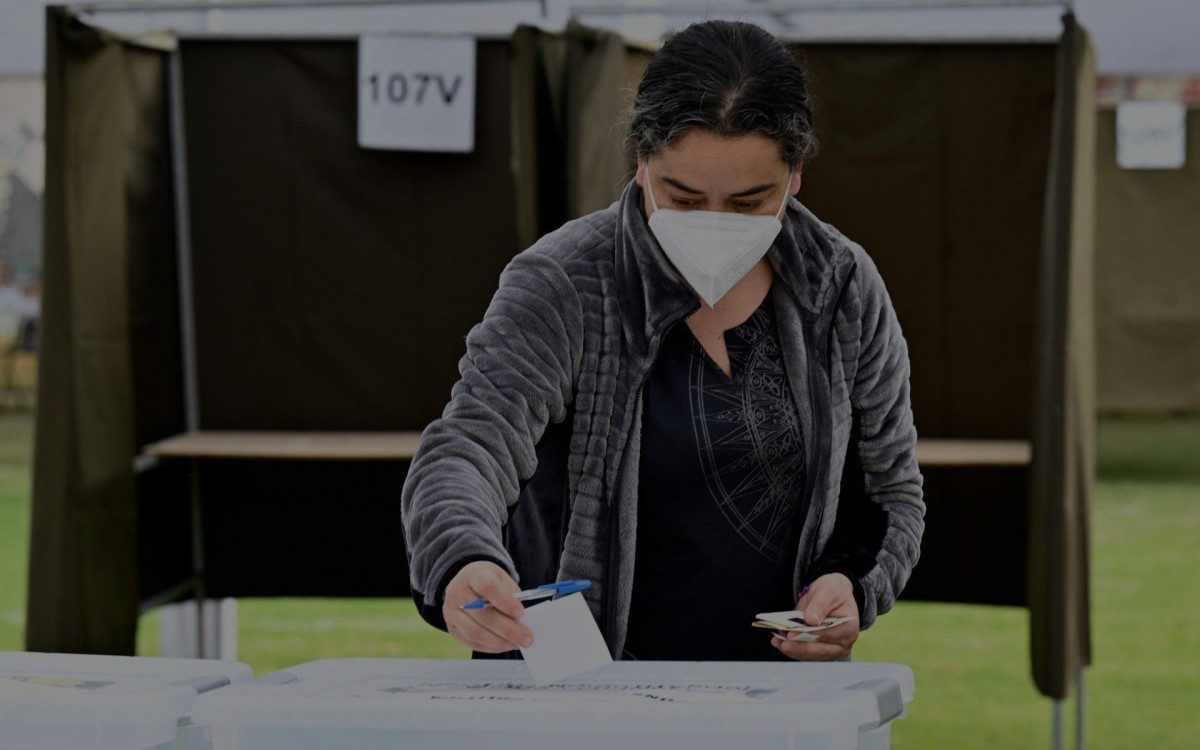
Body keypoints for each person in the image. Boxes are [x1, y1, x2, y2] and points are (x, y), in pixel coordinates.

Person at [401, 19, 925, 663]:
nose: (713, 224)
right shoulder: (564, 282)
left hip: (778, 702)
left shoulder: (841, 287)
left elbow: (888, 493)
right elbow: (467, 449)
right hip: (578, 698)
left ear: (795, 177)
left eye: (748, 201)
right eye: (683, 195)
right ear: (642, 162)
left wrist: (850, 587)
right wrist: (463, 561)